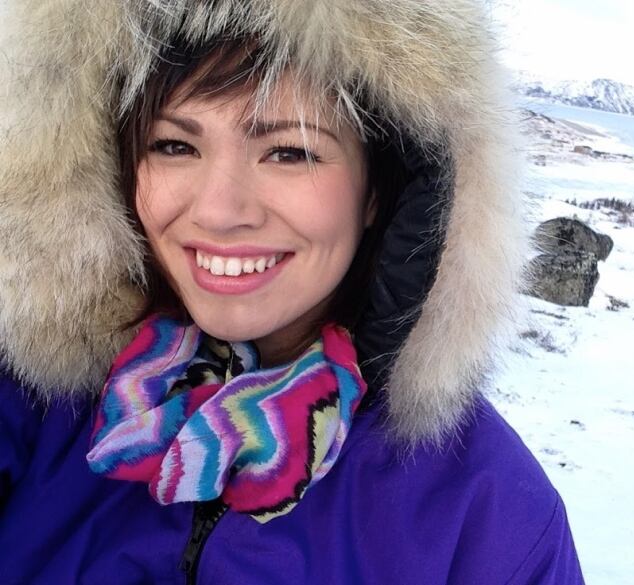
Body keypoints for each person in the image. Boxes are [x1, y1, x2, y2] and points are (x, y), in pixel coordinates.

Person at [0, 1, 585, 583]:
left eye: (289, 151)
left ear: (380, 192)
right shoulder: (34, 399)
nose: (220, 211)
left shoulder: (490, 519)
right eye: (174, 146)